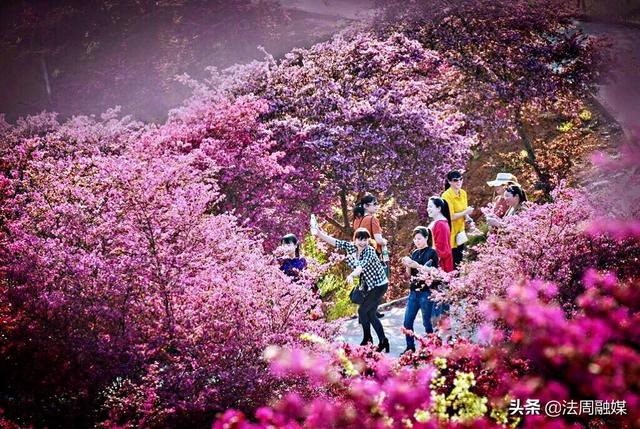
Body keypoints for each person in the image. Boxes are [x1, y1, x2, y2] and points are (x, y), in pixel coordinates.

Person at [312, 226, 389, 352]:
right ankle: (382, 341)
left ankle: (368, 340)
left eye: (365, 240)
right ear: (355, 240)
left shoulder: (369, 251)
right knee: (371, 314)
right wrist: (319, 233)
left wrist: (352, 275)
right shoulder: (352, 247)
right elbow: (335, 242)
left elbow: (360, 268)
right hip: (370, 286)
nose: (362, 243)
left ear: (368, 240)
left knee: (363, 311)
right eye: (360, 239)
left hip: (379, 285)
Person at [400, 226, 440, 355]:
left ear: (426, 238)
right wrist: (407, 265)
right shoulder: (415, 253)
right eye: (415, 239)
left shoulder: (432, 252)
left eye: (419, 238)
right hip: (413, 292)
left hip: (426, 292)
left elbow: (434, 272)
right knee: (407, 322)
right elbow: (409, 276)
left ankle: (431, 348)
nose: (416, 241)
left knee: (427, 322)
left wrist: (416, 265)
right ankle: (410, 348)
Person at [352, 193, 389, 317]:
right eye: (375, 204)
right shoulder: (372, 219)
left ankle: (369, 309)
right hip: (373, 254)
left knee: (366, 282)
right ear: (366, 206)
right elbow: (378, 239)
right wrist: (385, 242)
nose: (377, 207)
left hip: (360, 255)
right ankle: (370, 310)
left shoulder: (357, 220)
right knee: (377, 282)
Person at [441, 171, 474, 269]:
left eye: (461, 179)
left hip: (460, 232)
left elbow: (464, 211)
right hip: (450, 232)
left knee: (458, 260)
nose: (459, 182)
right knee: (451, 261)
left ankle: (456, 283)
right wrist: (465, 212)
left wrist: (467, 218)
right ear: (449, 182)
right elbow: (450, 216)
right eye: (455, 180)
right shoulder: (446, 196)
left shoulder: (463, 193)